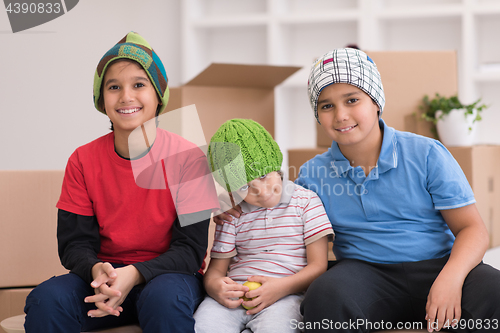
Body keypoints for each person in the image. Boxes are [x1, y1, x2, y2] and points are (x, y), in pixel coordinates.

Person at [216, 49, 500, 333]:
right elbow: (273, 208)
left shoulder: (427, 154)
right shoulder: (312, 174)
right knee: (324, 297)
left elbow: (472, 229)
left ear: (376, 102)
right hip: (364, 274)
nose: (341, 115)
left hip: (440, 266)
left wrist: (450, 280)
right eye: (326, 106)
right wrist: (232, 205)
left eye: (352, 100)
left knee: (494, 292)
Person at [24, 32, 219, 333]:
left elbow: (190, 250)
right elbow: (74, 243)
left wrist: (136, 274)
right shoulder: (82, 160)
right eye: (114, 87)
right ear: (102, 100)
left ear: (159, 96)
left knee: (164, 301)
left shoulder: (191, 159)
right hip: (104, 278)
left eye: (139, 85)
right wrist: (95, 269)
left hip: (168, 277)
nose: (126, 96)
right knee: (47, 300)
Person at [194, 119, 334, 333]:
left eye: (262, 175)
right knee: (201, 327)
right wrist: (215, 287)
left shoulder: (306, 201)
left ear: (276, 166)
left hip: (287, 296)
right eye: (244, 186)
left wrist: (281, 288)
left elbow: (318, 266)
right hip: (234, 297)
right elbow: (216, 272)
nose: (260, 190)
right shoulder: (232, 212)